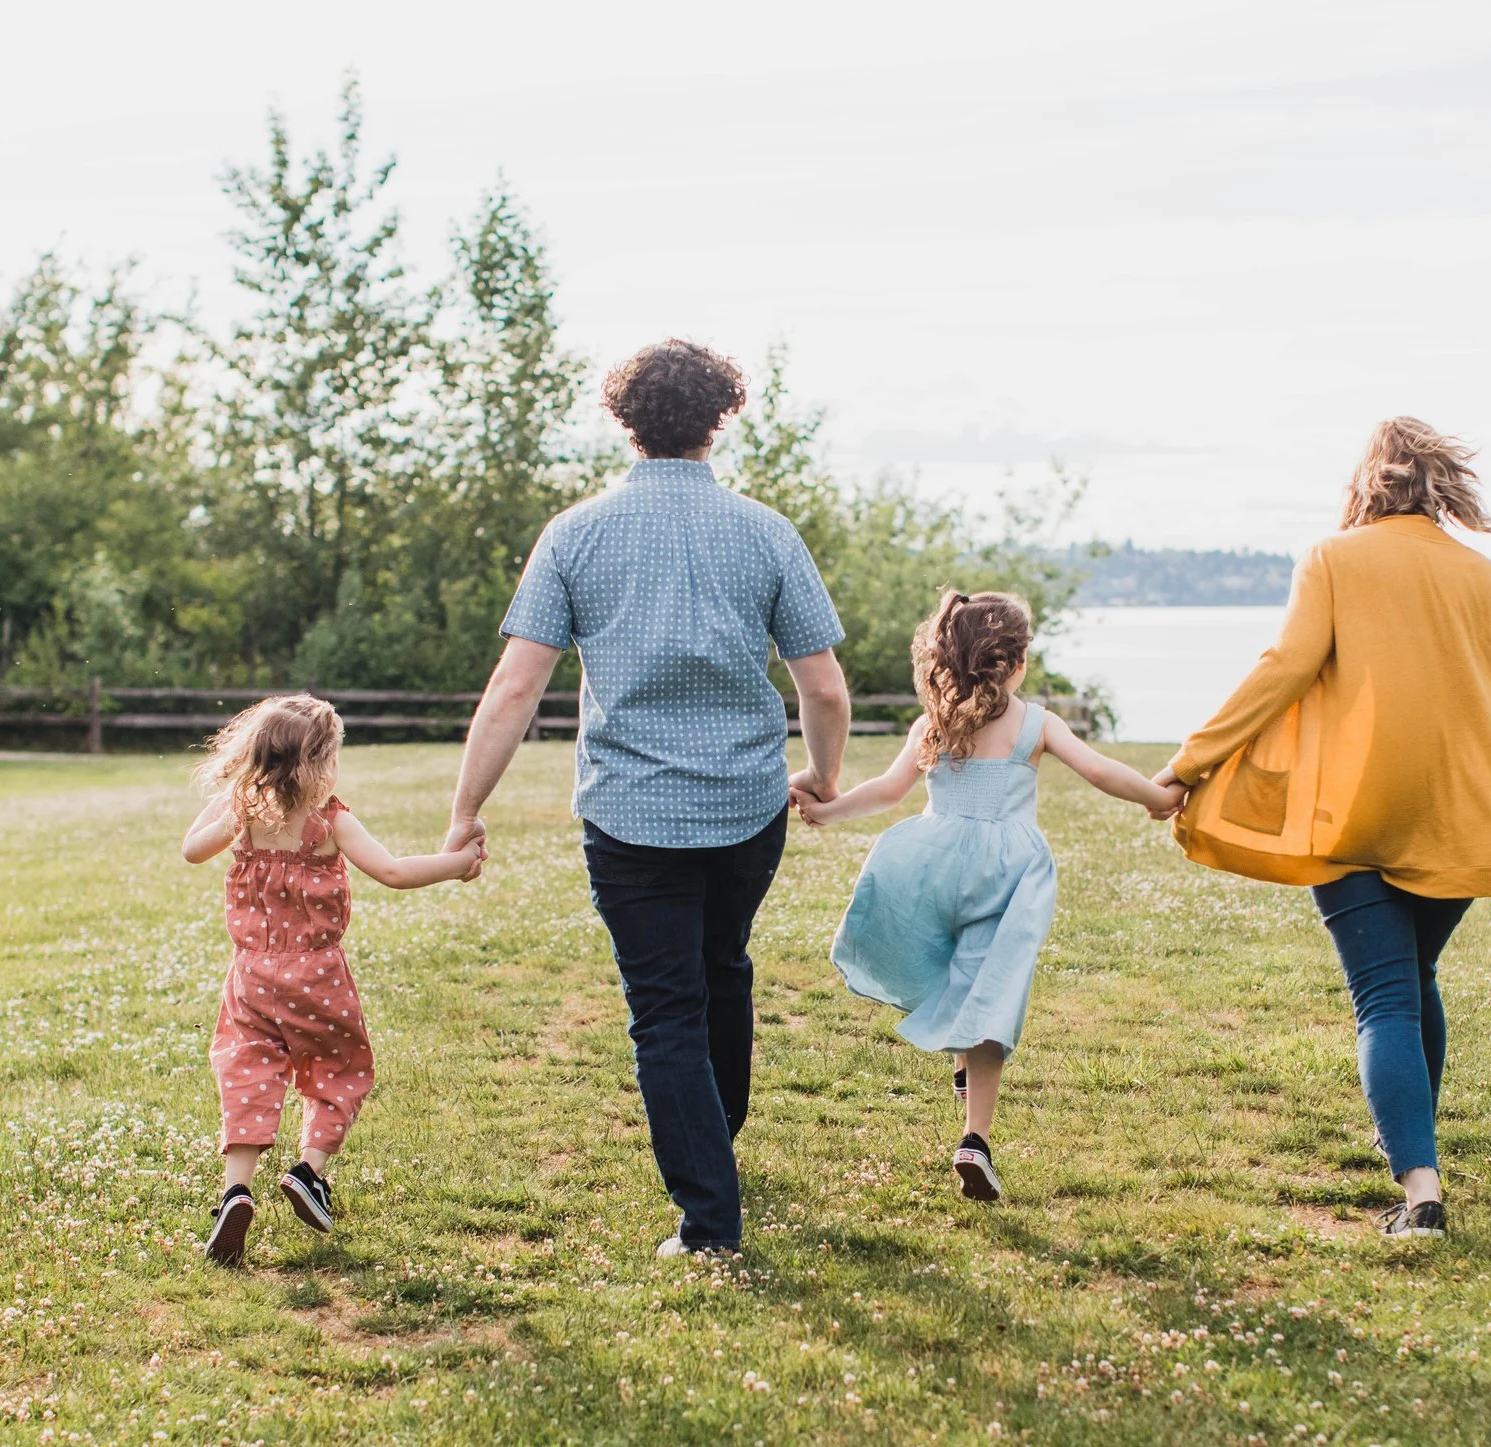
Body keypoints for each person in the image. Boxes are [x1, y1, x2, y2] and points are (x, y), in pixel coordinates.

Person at [445, 339, 852, 1258]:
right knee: (724, 968)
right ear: (720, 417)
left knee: (667, 1006)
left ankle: (709, 1222)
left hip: (630, 814)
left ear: (625, 420)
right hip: (746, 807)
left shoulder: (576, 533)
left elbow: (514, 687)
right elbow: (823, 688)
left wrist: (467, 807)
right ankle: (716, 1147)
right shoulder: (766, 531)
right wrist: (824, 777)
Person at [1153, 418, 1491, 1241]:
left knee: (1387, 993)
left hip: (1355, 814)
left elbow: (1282, 667)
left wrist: (1190, 763)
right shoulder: (1489, 580)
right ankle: (1412, 1149)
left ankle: (1420, 1188)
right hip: (1467, 816)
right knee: (1411, 979)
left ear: (1368, 483)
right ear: (1443, 487)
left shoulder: (1332, 559)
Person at [798, 592, 1183, 1202]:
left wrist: (830, 811)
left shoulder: (935, 722)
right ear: (1019, 659)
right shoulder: (1036, 723)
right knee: (992, 992)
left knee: (944, 962)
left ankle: (960, 1062)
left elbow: (890, 791)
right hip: (1006, 875)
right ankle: (975, 1138)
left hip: (933, 861)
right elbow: (1102, 770)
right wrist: (1156, 799)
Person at [182, 695, 482, 1267]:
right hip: (317, 975)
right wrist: (457, 863)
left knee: (248, 1073)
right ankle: (308, 1171)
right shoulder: (330, 820)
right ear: (318, 765)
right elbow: (393, 872)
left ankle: (235, 1190)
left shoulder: (243, 811)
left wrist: (235, 798)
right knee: (339, 1070)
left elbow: (193, 850)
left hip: (251, 975)